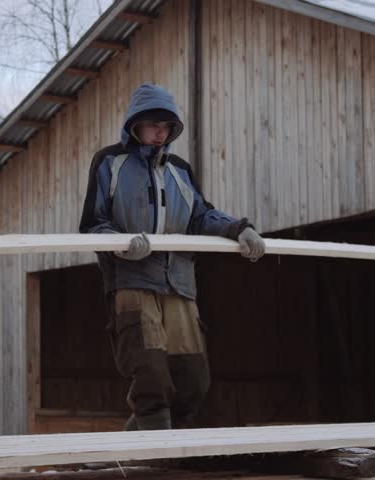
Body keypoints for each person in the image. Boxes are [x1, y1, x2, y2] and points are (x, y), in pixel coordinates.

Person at [79, 83, 265, 431]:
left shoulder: (180, 169)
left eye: (166, 126)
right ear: (134, 125)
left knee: (193, 376)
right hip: (132, 279)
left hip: (179, 282)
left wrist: (240, 229)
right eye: (152, 125)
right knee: (150, 372)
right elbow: (92, 223)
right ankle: (152, 448)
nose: (159, 133)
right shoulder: (110, 162)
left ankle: (171, 446)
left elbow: (200, 216)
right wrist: (121, 243)